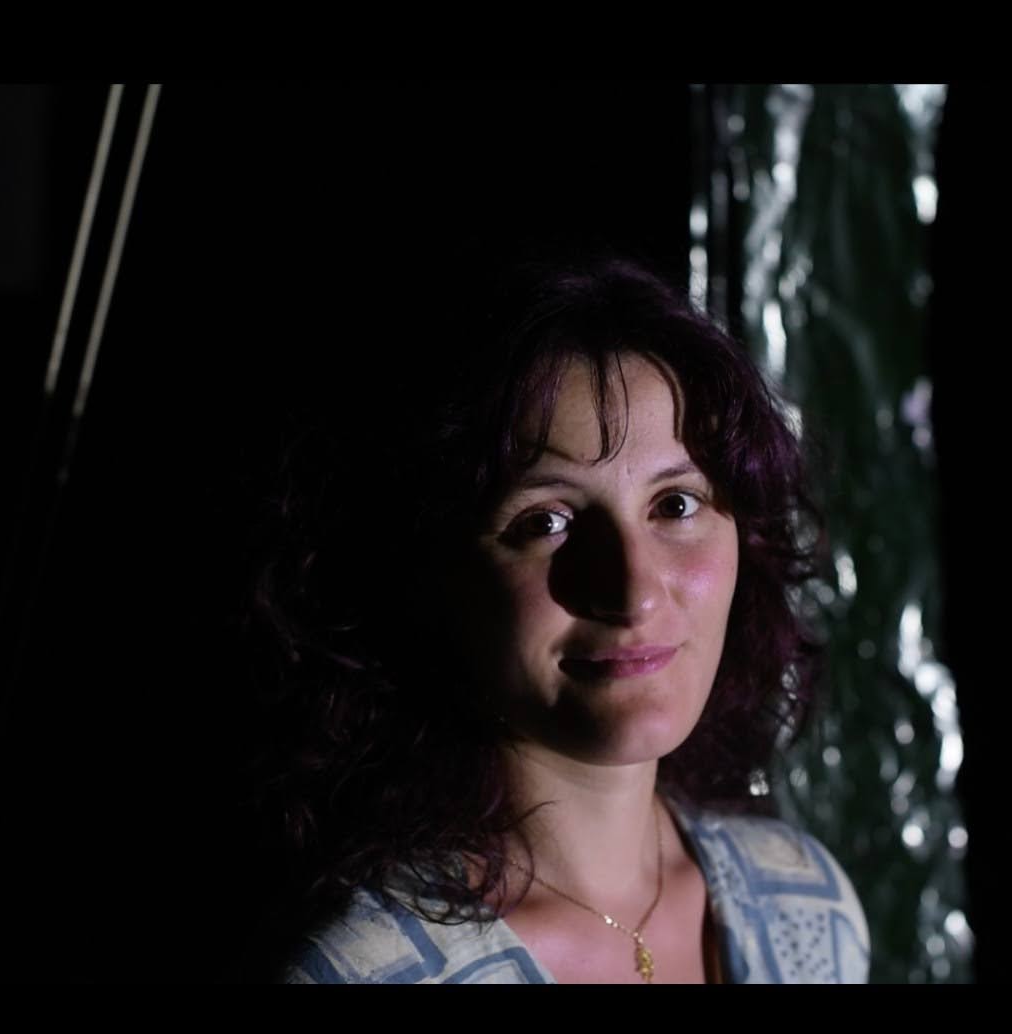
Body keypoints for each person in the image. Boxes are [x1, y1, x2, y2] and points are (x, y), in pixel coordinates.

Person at [240, 256, 869, 984]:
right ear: (432, 572)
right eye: (547, 521)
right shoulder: (363, 972)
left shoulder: (807, 911)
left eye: (675, 504)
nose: (632, 592)